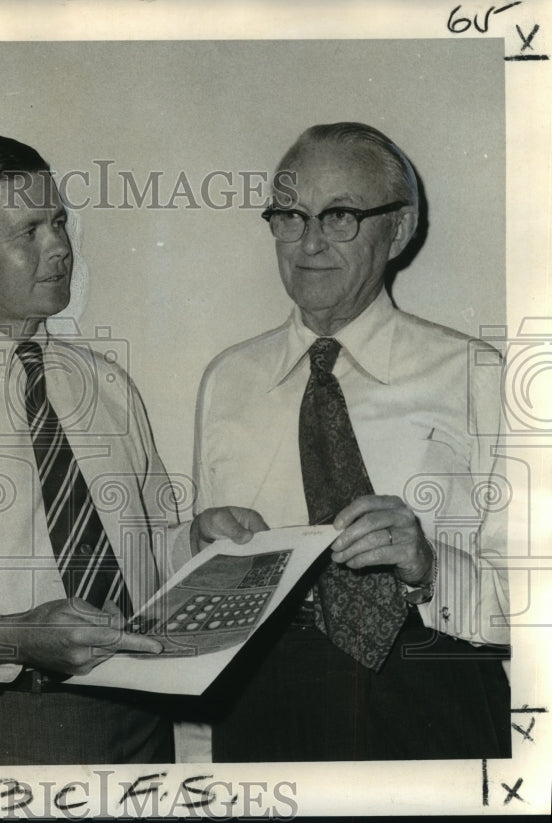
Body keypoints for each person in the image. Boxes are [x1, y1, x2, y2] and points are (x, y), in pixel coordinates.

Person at [0, 134, 264, 766]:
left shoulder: (108, 386)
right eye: (27, 232)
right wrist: (12, 639)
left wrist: (197, 544)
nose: (59, 247)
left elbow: (142, 555)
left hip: (140, 718)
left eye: (58, 222)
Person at [196, 122, 510, 761]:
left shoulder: (479, 376)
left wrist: (428, 566)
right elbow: (205, 614)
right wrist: (200, 561)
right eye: (290, 216)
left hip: (431, 694)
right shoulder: (228, 380)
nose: (309, 242)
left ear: (398, 228)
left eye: (339, 216)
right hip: (262, 710)